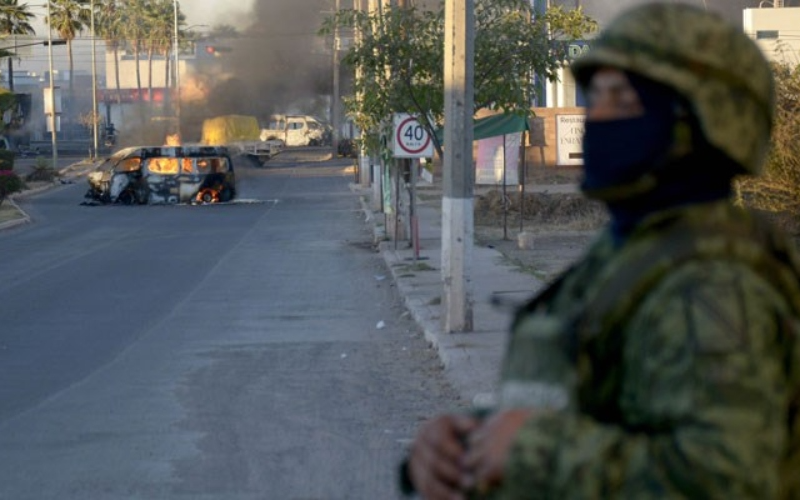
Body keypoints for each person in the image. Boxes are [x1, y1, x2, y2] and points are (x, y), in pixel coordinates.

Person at [400, 3, 800, 499]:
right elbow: (593, 406)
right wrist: (465, 442)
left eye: (622, 99)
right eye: (596, 96)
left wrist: (535, 449)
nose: (597, 117)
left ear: (700, 122)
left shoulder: (719, 284)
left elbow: (728, 475)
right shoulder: (632, 256)